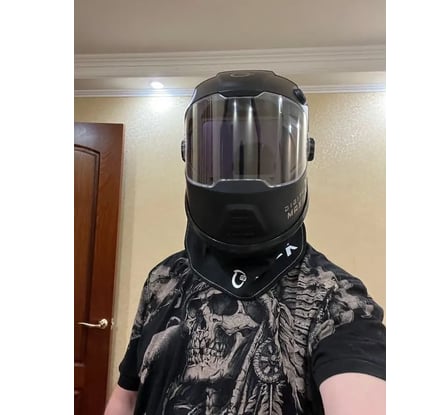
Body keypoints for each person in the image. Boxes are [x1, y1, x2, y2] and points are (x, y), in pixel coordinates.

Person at [104, 70, 386, 415]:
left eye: (259, 158)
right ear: (188, 153)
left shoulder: (335, 298)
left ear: (303, 153)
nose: (240, 174)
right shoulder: (164, 279)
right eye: (224, 156)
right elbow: (127, 396)